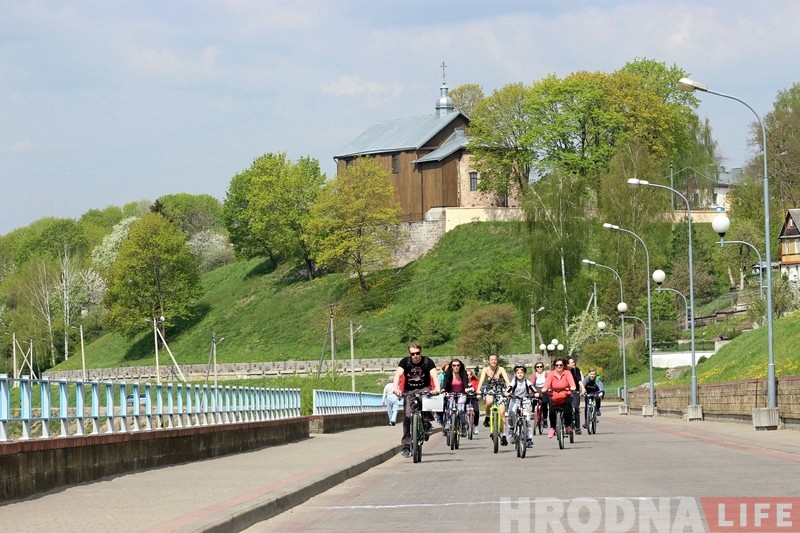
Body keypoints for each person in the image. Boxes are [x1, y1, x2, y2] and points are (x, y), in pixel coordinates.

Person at [393, 343, 439, 458]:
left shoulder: (428, 361)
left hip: (424, 388)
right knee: (408, 417)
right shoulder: (405, 362)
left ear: (421, 352)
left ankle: (426, 422)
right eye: (412, 354)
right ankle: (406, 446)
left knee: (426, 400)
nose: (415, 356)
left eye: (417, 353)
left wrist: (437, 388)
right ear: (410, 354)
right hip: (410, 391)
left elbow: (434, 375)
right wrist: (396, 388)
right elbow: (398, 375)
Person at [477, 353, 510, 442]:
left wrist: (509, 389)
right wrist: (478, 390)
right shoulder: (485, 370)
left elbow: (507, 381)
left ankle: (503, 435)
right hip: (490, 390)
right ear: (488, 361)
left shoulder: (501, 369)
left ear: (497, 360)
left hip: (500, 390)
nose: (493, 361)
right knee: (489, 402)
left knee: (502, 413)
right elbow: (481, 381)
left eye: (495, 359)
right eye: (491, 360)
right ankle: (487, 416)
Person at [543, 357, 576, 438]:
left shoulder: (567, 373)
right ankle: (553, 428)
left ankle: (568, 425)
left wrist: (572, 387)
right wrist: (544, 389)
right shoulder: (551, 374)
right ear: (554, 366)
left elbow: (572, 384)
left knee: (568, 406)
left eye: (561, 365)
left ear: (563, 365)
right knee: (551, 410)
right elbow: (547, 384)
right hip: (554, 394)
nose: (559, 366)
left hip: (566, 393)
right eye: (557, 365)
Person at [504, 363, 535, 447]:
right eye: (518, 372)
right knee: (511, 412)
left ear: (524, 373)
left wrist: (535, 393)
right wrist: (507, 393)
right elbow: (510, 387)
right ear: (515, 374)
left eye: (521, 372)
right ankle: (511, 428)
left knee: (527, 420)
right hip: (515, 400)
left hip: (525, 400)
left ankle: (529, 439)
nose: (520, 374)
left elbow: (532, 388)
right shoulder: (514, 381)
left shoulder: (526, 382)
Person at [441, 358, 471, 437]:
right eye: (454, 365)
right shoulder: (448, 373)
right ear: (451, 366)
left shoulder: (463, 373)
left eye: (458, 365)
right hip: (451, 393)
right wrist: (443, 389)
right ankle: (447, 423)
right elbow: (445, 381)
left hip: (461, 393)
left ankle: (463, 426)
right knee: (449, 407)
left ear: (460, 366)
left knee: (461, 409)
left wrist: (466, 389)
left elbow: (465, 382)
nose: (456, 367)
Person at [567, 356, 586, 435]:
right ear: (567, 364)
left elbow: (579, 380)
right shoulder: (564, 371)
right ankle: (567, 426)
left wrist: (583, 388)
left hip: (575, 391)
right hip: (566, 392)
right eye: (571, 362)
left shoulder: (576, 370)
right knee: (566, 409)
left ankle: (577, 427)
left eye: (574, 362)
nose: (573, 363)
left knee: (576, 408)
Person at [531, 361, 550, 428]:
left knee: (544, 403)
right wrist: (531, 391)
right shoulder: (534, 375)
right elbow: (531, 384)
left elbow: (548, 381)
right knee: (533, 400)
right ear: (535, 368)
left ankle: (545, 419)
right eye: (537, 367)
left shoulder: (546, 374)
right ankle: (534, 413)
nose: (539, 368)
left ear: (543, 367)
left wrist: (548, 388)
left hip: (545, 390)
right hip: (536, 390)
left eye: (541, 367)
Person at [467, 369, 481, 434]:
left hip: (473, 398)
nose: (466, 376)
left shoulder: (475, 382)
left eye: (468, 375)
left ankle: (476, 426)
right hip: (466, 398)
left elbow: (478, 389)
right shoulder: (463, 381)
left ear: (471, 375)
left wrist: (478, 394)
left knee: (476, 410)